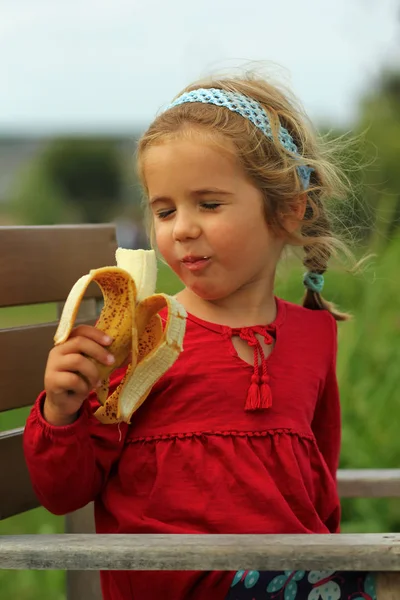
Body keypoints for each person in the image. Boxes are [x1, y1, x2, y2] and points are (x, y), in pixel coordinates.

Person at [23, 73, 376, 600]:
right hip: (185, 582)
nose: (181, 228)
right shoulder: (141, 336)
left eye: (208, 204)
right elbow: (64, 491)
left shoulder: (312, 335)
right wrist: (61, 411)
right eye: (164, 211)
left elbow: (317, 487)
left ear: (287, 210)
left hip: (295, 577)